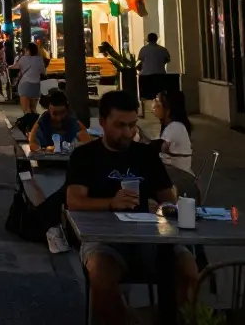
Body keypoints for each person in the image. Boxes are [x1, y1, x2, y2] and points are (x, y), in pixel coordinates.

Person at [66, 91, 198, 325]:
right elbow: (74, 201)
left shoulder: (146, 155)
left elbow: (168, 199)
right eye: (120, 125)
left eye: (132, 124)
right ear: (103, 122)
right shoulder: (85, 155)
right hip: (104, 240)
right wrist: (110, 203)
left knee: (189, 272)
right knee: (101, 278)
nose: (128, 132)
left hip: (152, 238)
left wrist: (165, 207)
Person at [27, 90, 93, 152]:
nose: (59, 118)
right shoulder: (42, 122)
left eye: (62, 112)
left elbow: (88, 142)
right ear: (49, 111)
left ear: (67, 110)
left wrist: (71, 146)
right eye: (55, 114)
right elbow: (33, 144)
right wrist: (47, 149)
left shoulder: (73, 122)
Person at [152, 89, 194, 173]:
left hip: (179, 173)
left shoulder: (175, 127)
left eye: (158, 105)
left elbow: (159, 149)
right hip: (175, 171)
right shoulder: (173, 125)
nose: (153, 107)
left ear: (168, 109)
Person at [10, 42, 47, 114]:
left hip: (25, 86)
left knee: (26, 110)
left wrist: (9, 67)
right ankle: (34, 120)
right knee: (33, 109)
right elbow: (44, 72)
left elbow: (14, 67)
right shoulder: (39, 59)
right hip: (36, 86)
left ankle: (28, 121)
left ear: (28, 50)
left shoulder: (23, 59)